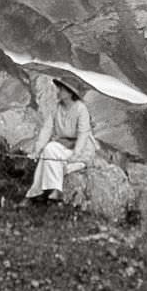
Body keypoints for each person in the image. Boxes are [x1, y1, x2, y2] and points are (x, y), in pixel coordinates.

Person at [22, 76, 96, 204]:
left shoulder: (80, 109)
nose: (58, 91)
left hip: (81, 150)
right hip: (63, 148)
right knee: (48, 150)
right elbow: (47, 129)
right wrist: (37, 150)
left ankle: (36, 193)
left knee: (49, 151)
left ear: (69, 92)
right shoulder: (56, 108)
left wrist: (76, 153)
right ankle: (52, 192)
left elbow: (83, 134)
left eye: (61, 89)